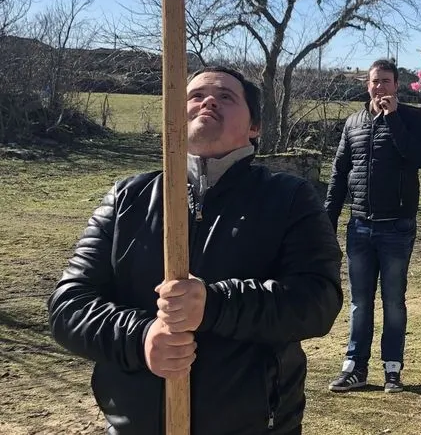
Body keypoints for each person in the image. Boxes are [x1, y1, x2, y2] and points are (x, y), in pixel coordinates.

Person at [47, 66, 344, 435]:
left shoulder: (290, 198)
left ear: (255, 127)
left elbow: (318, 302)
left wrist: (215, 305)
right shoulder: (127, 198)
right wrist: (141, 338)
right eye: (195, 95)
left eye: (225, 96)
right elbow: (68, 306)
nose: (208, 102)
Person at [324, 59, 421, 393]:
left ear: (396, 85)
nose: (380, 87)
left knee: (394, 301)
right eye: (375, 81)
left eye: (386, 81)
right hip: (359, 226)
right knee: (360, 302)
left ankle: (392, 368)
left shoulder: (412, 118)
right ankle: (355, 366)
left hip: (396, 227)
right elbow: (340, 172)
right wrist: (328, 220)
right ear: (367, 85)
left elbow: (418, 158)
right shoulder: (353, 123)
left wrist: (393, 117)